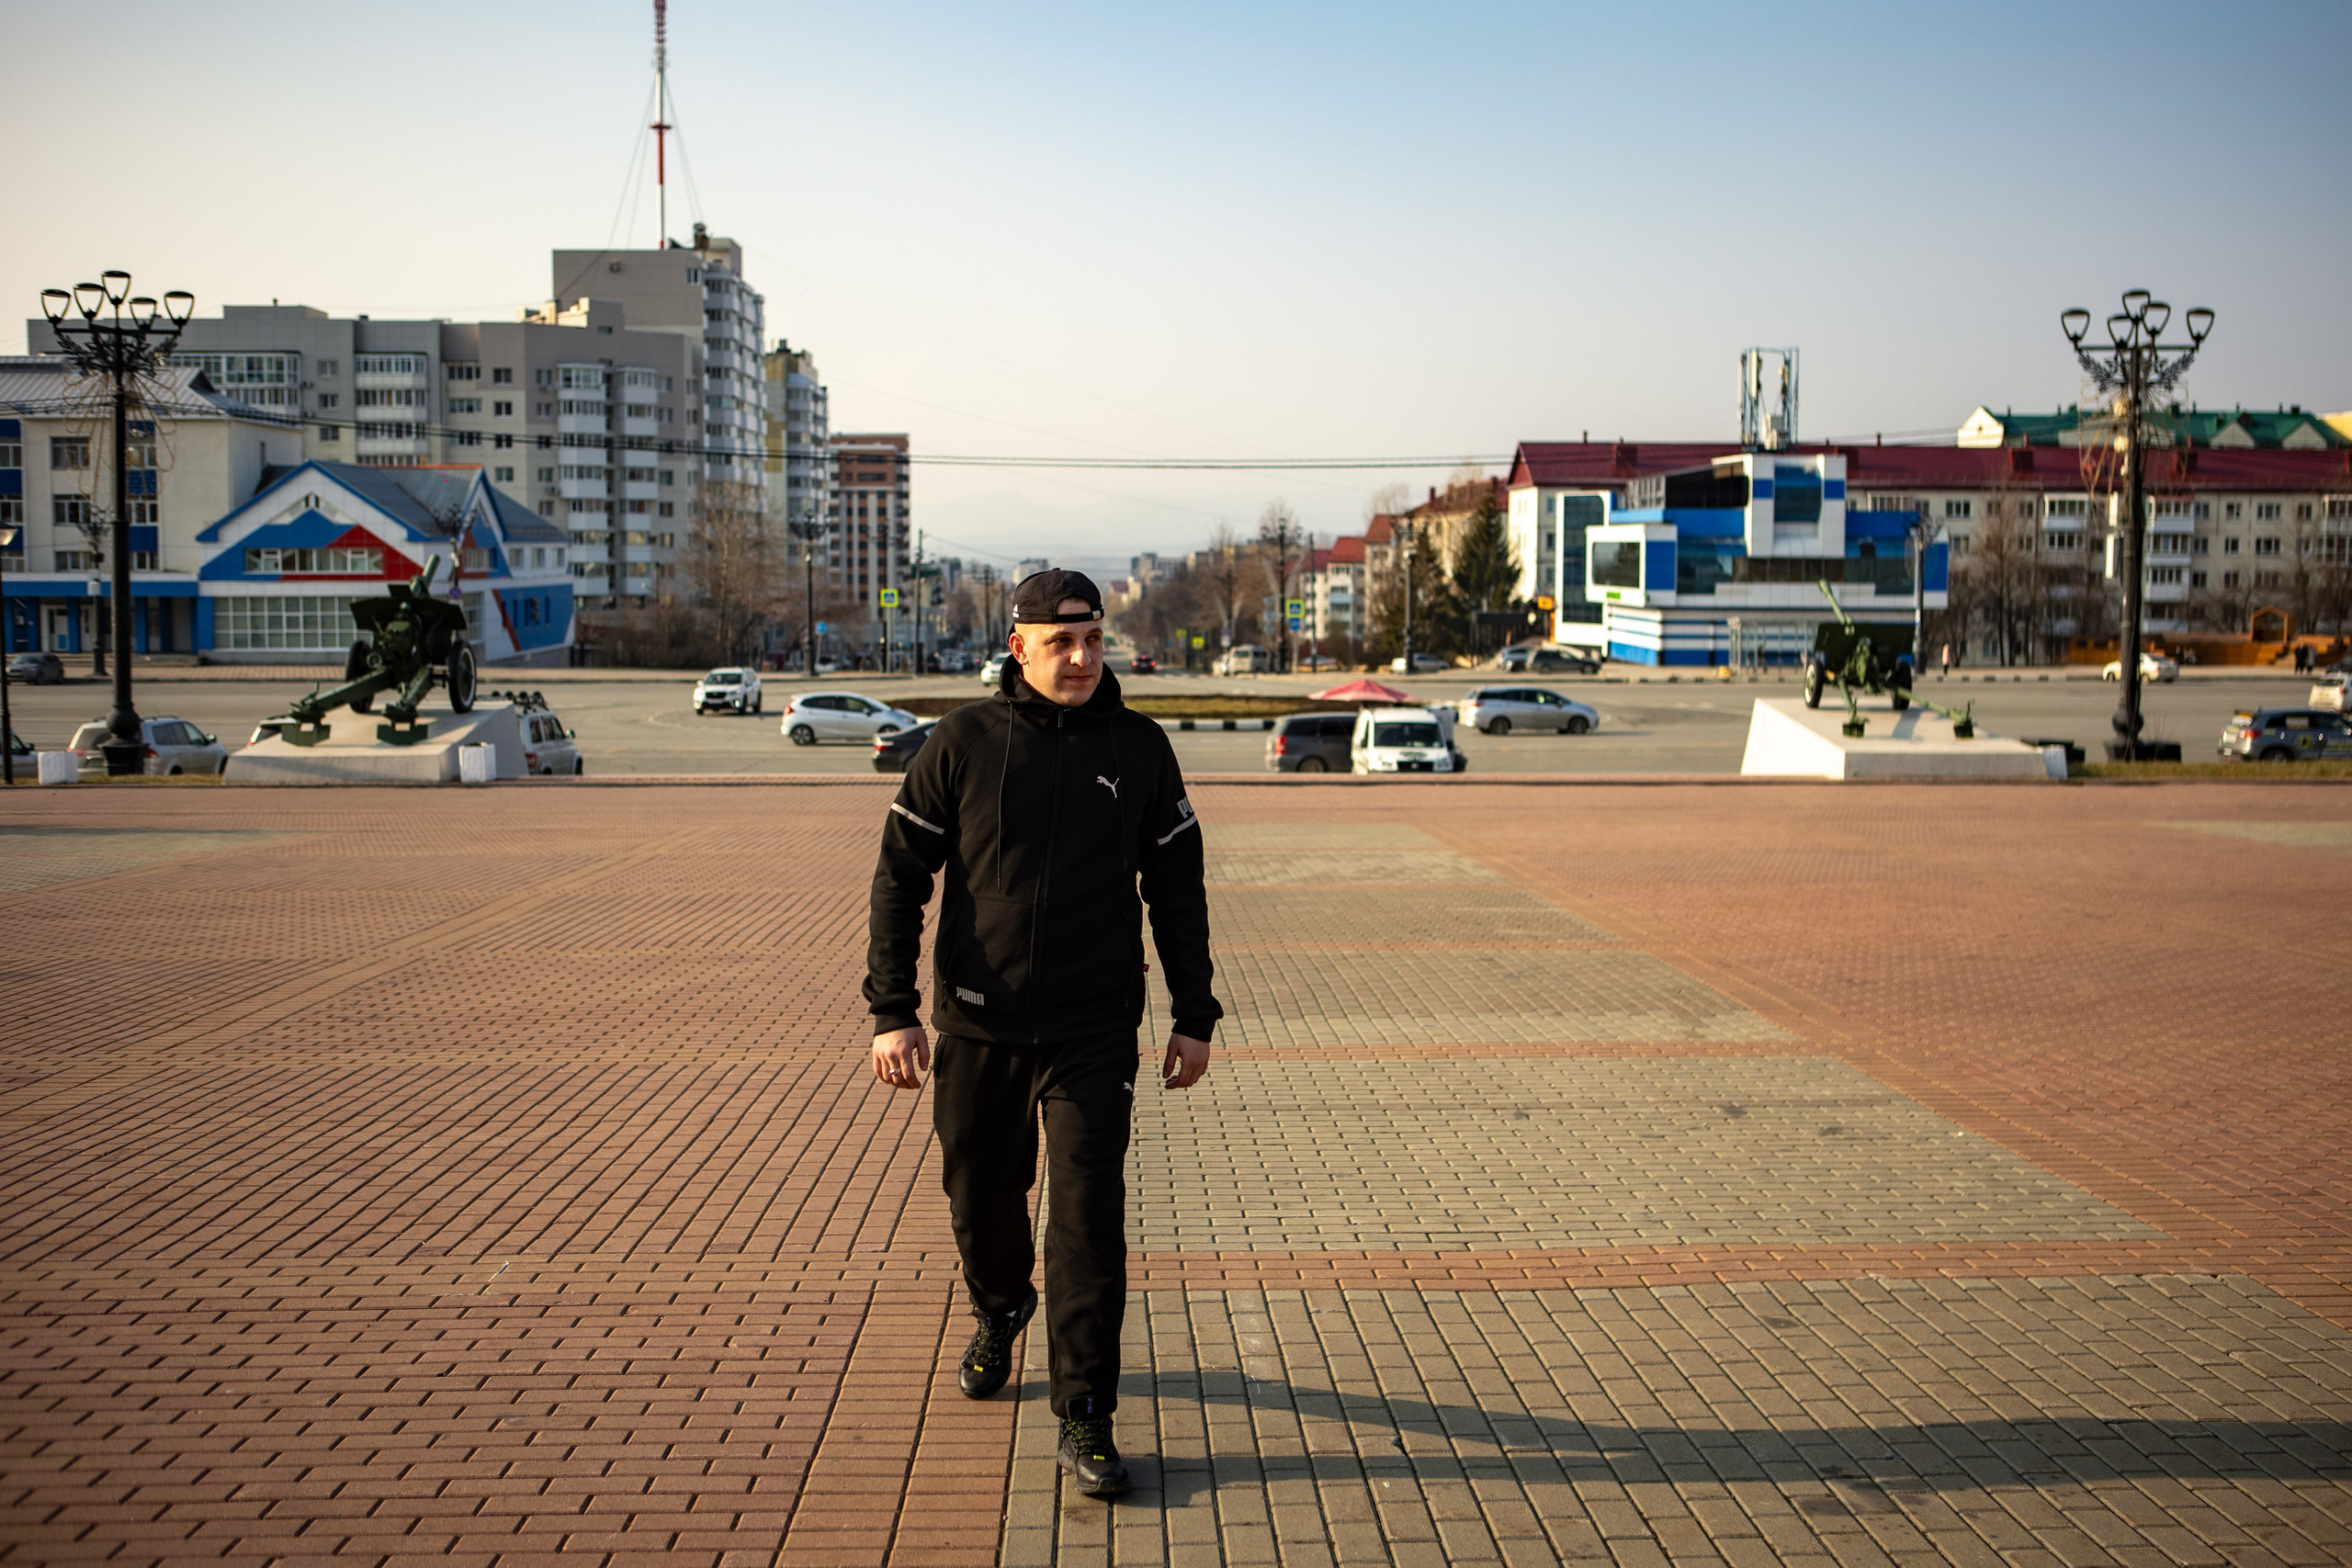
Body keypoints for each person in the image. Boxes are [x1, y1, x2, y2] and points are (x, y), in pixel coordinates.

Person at [865, 568, 1219, 1499]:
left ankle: (1085, 1413)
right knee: (982, 1200)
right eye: (1061, 642)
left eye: (1094, 640)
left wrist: (1195, 1014)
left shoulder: (1140, 750)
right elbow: (901, 875)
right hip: (977, 1022)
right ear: (1017, 647)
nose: (1081, 658)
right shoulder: (964, 742)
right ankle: (998, 1303)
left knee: (1087, 1224)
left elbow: (1176, 888)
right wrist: (891, 1010)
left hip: (1093, 1026)